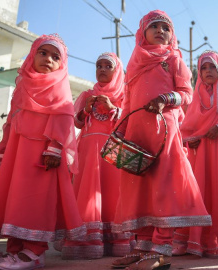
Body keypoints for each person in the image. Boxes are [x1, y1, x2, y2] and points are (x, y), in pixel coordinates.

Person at [109, 10, 211, 269]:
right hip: (136, 133)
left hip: (164, 130)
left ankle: (161, 249)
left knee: (163, 187)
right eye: (153, 26)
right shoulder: (134, 62)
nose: (160, 31)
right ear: (142, 32)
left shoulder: (174, 58)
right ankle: (142, 247)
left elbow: (187, 93)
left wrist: (166, 99)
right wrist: (121, 130)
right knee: (138, 189)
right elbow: (128, 99)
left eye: (165, 27)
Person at [0, 34, 86, 270]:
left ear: (62, 64)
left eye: (56, 57)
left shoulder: (59, 86)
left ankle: (34, 252)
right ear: (32, 55)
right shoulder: (22, 85)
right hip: (16, 153)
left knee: (35, 200)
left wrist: (54, 147)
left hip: (42, 155)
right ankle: (14, 250)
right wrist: (2, 152)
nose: (48, 60)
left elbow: (63, 117)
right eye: (43, 53)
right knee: (14, 198)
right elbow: (11, 121)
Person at [60, 52, 132, 260]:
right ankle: (88, 242)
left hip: (113, 152)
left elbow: (129, 122)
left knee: (113, 193)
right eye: (98, 65)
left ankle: (116, 241)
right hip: (88, 150)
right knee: (87, 191)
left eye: (107, 66)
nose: (101, 69)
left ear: (117, 71)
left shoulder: (123, 96)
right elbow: (77, 123)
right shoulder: (87, 95)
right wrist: (86, 110)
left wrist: (112, 109)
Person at [174, 50, 218, 258]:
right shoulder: (197, 97)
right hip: (201, 152)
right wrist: (192, 139)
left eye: (212, 67)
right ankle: (197, 241)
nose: (207, 71)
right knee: (199, 193)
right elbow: (188, 129)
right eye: (203, 68)